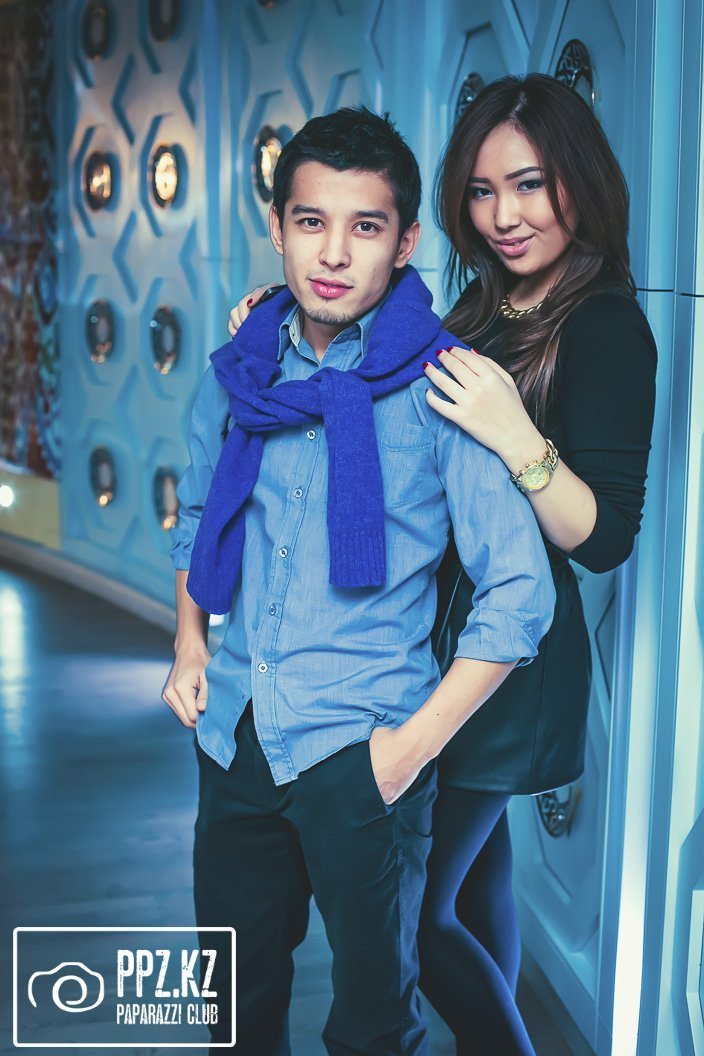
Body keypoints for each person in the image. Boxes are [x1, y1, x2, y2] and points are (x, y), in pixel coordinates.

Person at [228, 76, 657, 1055]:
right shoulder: (485, 300)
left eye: (529, 184)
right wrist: (278, 316)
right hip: (436, 632)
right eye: (481, 190)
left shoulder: (600, 324)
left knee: (415, 916)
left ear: (579, 181)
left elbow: (602, 537)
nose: (504, 215)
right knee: (469, 889)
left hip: (504, 658)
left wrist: (515, 434)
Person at [163, 104, 555, 1056]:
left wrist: (406, 752)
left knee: (376, 1025)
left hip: (365, 752)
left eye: (366, 226)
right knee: (231, 1009)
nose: (334, 254)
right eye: (311, 221)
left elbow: (521, 595)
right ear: (277, 228)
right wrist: (189, 643)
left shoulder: (445, 385)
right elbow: (200, 517)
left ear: (405, 242)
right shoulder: (242, 369)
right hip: (236, 736)